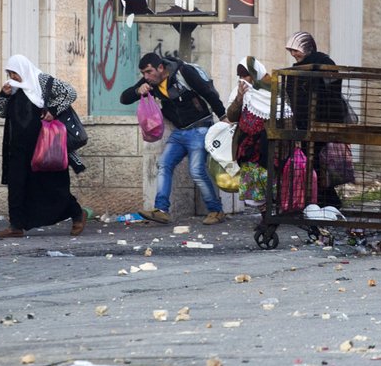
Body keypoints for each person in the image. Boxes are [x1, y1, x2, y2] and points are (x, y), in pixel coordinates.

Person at [120, 52, 227, 225]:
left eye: (149, 72)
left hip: (200, 128)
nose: (146, 77)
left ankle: (216, 210)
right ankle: (161, 210)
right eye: (143, 74)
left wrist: (223, 116)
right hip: (179, 132)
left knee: (197, 170)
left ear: (161, 68)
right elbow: (124, 98)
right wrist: (137, 90)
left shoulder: (184, 73)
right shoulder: (150, 82)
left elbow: (208, 93)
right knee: (164, 164)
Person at [0, 54, 87, 239]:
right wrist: (3, 94)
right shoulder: (13, 89)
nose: (13, 76)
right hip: (17, 147)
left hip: (45, 145)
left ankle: (76, 213)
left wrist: (52, 110)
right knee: (17, 185)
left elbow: (70, 92)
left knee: (51, 186)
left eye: (15, 73)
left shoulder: (42, 80)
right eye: (10, 73)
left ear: (23, 70)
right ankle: (16, 225)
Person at [284, 31, 346, 208]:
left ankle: (325, 200)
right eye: (291, 51)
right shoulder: (297, 69)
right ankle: (322, 200)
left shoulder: (323, 63)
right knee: (312, 160)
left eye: (296, 50)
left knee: (318, 161)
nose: (294, 55)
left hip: (323, 121)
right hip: (304, 123)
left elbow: (332, 92)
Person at [224, 56, 287, 209]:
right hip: (247, 145)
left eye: (245, 75)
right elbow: (232, 116)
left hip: (267, 144)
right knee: (253, 184)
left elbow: (285, 114)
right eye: (239, 76)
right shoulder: (242, 91)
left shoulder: (273, 88)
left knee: (269, 178)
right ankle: (263, 213)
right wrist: (239, 97)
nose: (242, 79)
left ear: (254, 73)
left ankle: (270, 212)